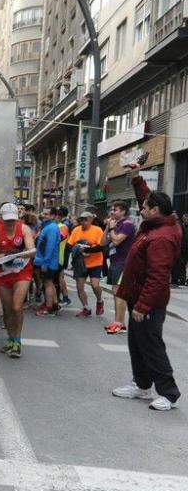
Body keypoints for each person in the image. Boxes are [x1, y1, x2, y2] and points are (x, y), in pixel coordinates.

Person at [112, 162, 183, 411]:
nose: (141, 209)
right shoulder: (157, 222)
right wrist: (136, 177)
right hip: (138, 295)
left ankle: (169, 393)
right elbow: (146, 197)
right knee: (137, 343)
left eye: (144, 207)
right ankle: (142, 385)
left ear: (155, 211)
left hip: (148, 300)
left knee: (151, 345)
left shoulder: (162, 237)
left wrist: (143, 305)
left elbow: (158, 276)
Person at [0, 203, 36, 358]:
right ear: (1, 218)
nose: (10, 223)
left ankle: (17, 340)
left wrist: (19, 254)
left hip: (22, 272)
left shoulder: (24, 229)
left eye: (13, 220)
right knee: (7, 310)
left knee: (16, 306)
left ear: (17, 218)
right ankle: (10, 338)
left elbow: (32, 251)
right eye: (7, 220)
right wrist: (5, 256)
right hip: (4, 273)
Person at [104, 200, 136, 334]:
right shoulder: (115, 224)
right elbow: (102, 242)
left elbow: (116, 241)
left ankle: (119, 323)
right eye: (111, 209)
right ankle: (118, 322)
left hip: (123, 262)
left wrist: (111, 229)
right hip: (114, 261)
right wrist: (107, 227)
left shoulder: (127, 224)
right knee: (115, 292)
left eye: (115, 210)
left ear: (123, 211)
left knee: (119, 293)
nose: (112, 212)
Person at [68, 211, 106, 318]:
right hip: (80, 263)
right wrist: (77, 251)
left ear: (91, 220)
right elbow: (69, 245)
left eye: (85, 220)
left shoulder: (97, 230)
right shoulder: (76, 230)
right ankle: (86, 308)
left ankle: (99, 300)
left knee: (95, 285)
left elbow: (101, 247)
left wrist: (87, 251)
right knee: (80, 287)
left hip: (95, 263)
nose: (83, 222)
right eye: (81, 220)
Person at [34, 208, 63, 317]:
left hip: (48, 262)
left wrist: (45, 263)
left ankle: (49, 308)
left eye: (46, 214)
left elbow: (49, 247)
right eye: (43, 213)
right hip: (47, 261)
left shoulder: (51, 228)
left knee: (48, 284)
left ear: (53, 216)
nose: (43, 215)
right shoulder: (49, 227)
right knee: (49, 283)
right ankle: (53, 304)